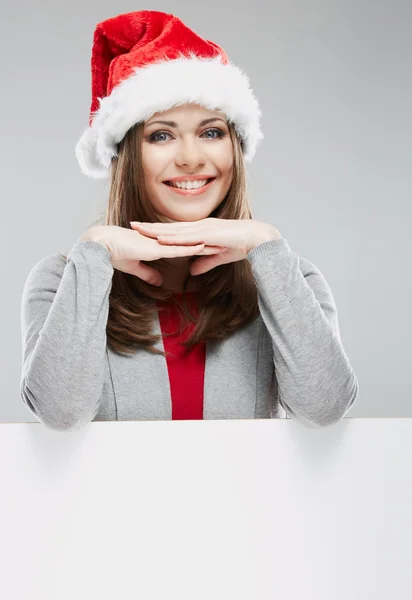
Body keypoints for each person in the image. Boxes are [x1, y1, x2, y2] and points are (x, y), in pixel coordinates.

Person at [20, 10, 359, 432]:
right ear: (127, 158)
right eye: (161, 135)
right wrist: (93, 255)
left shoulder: (289, 276)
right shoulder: (62, 278)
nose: (191, 158)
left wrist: (267, 245)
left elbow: (324, 408)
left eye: (212, 132)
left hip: (249, 501)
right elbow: (59, 412)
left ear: (235, 149)